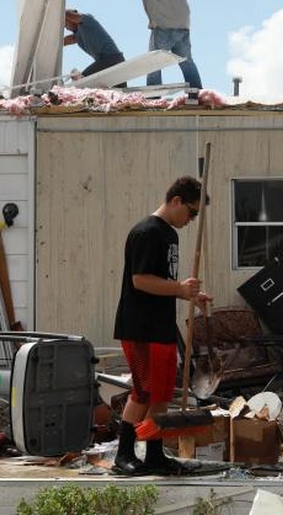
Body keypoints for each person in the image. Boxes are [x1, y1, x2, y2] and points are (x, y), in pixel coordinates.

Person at [112, 176, 212, 476]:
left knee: (162, 395)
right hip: (139, 327)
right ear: (176, 201)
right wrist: (180, 289)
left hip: (161, 327)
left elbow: (165, 283)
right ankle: (124, 454)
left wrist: (189, 294)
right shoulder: (147, 232)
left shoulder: (170, 235)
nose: (192, 219)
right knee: (143, 392)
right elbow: (140, 280)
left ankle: (154, 455)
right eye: (191, 212)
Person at [63, 9, 127, 88]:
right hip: (114, 62)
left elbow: (65, 13)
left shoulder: (87, 20)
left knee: (82, 83)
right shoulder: (77, 36)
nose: (66, 28)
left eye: (65, 23)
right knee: (122, 96)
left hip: (111, 60)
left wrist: (57, 12)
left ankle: (76, 74)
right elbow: (62, 42)